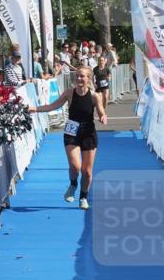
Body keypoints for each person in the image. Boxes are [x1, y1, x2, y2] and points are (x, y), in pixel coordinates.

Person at [28, 66, 107, 210]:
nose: (79, 79)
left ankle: (83, 197)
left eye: (82, 76)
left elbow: (101, 110)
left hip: (89, 132)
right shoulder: (69, 93)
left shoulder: (95, 96)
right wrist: (36, 109)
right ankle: (73, 184)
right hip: (72, 131)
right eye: (77, 76)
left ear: (89, 79)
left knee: (87, 171)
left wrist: (102, 116)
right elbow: (53, 106)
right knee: (75, 166)